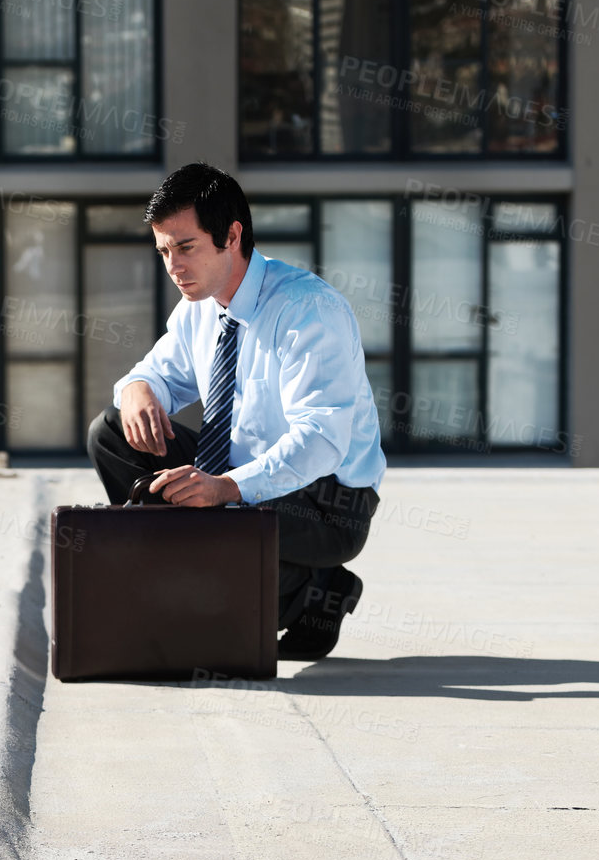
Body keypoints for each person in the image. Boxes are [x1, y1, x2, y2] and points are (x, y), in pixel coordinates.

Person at [86, 162, 386, 661]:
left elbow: (322, 439)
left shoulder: (308, 310)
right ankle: (185, 563)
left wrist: (226, 489)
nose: (173, 266)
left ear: (231, 235)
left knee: (221, 625)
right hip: (235, 481)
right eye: (164, 251)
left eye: (186, 247)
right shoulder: (197, 309)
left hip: (323, 501)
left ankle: (317, 589)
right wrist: (138, 387)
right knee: (112, 431)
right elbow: (157, 376)